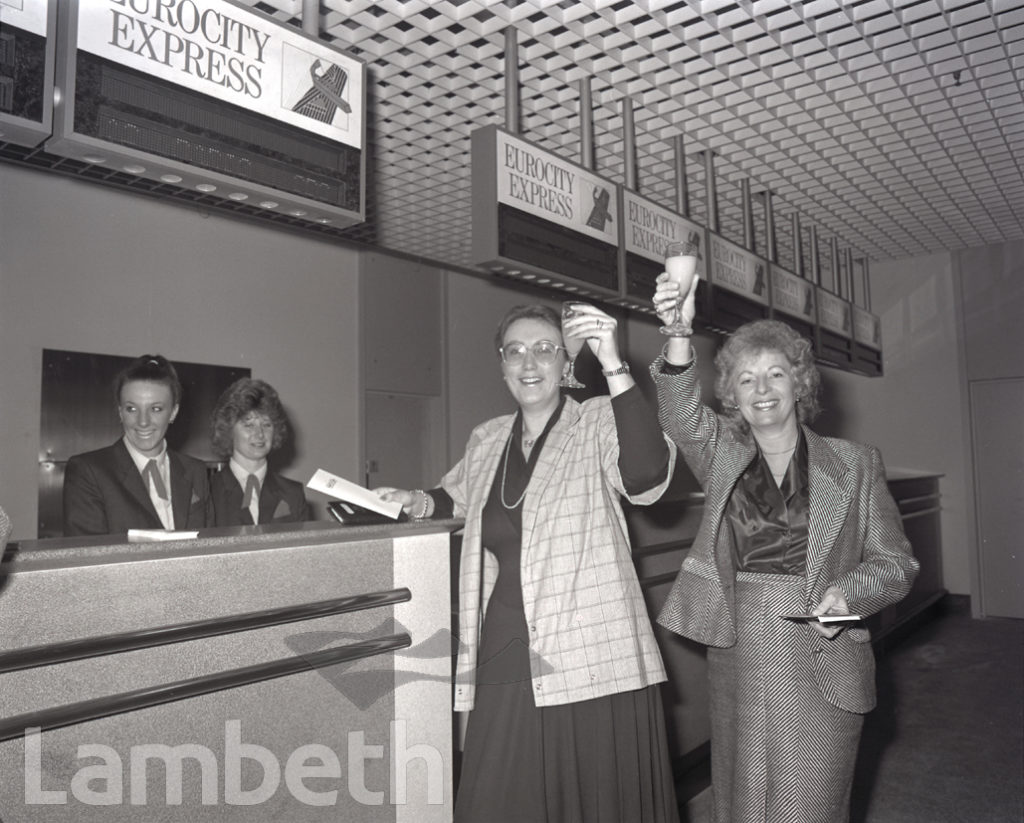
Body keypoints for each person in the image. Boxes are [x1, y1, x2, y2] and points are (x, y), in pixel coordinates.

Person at [377, 304, 681, 822]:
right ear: (501, 366)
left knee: (588, 794)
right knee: (498, 794)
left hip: (589, 645)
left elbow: (649, 476)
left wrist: (612, 361)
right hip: (506, 640)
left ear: (566, 365)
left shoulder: (599, 420)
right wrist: (414, 500)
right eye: (514, 351)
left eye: (544, 349)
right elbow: (457, 498)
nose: (529, 361)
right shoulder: (487, 437)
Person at [649, 272, 920, 823]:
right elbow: (677, 413)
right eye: (746, 380)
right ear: (733, 396)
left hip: (822, 649)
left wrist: (849, 596)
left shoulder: (854, 462)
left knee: (809, 808)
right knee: (745, 807)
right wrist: (678, 330)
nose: (762, 388)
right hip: (742, 653)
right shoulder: (722, 451)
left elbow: (897, 563)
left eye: (775, 374)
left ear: (800, 384)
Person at [63, 354, 212, 536]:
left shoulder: (195, 470)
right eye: (131, 409)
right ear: (120, 412)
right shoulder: (89, 471)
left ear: (173, 412)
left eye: (155, 409)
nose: (143, 422)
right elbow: (87, 556)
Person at [208, 377, 309, 526]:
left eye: (267, 425)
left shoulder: (293, 493)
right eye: (249, 425)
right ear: (229, 429)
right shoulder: (208, 491)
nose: (260, 434)